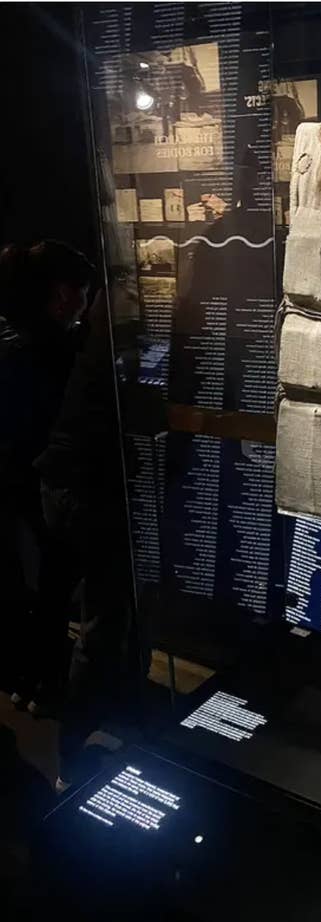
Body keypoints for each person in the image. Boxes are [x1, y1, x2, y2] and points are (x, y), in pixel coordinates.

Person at [35, 280, 147, 789]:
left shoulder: (102, 340)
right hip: (89, 493)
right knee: (105, 621)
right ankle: (74, 757)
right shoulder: (120, 348)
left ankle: (100, 731)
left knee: (111, 615)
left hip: (71, 486)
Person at [0, 240, 94, 708]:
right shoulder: (64, 351)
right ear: (62, 294)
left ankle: (28, 678)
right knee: (56, 584)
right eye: (84, 293)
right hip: (48, 484)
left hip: (15, 480)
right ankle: (53, 684)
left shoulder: (12, 342)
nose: (86, 303)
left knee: (32, 582)